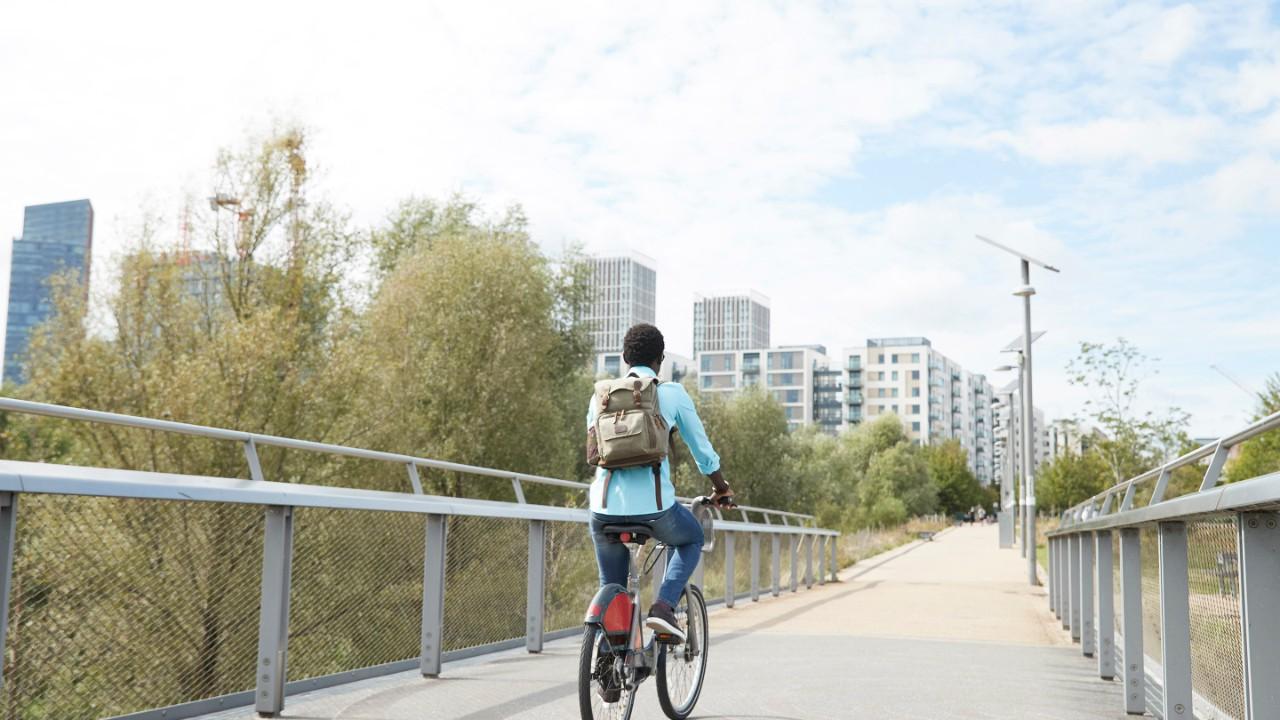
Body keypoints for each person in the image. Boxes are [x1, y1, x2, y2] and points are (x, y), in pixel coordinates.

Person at [587, 323, 732, 641]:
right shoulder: (671, 393)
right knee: (691, 537)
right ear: (660, 360)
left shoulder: (601, 397)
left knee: (612, 588)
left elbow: (594, 451)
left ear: (624, 356)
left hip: (603, 508)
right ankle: (664, 607)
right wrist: (721, 487)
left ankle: (611, 672)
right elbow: (702, 452)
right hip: (655, 510)